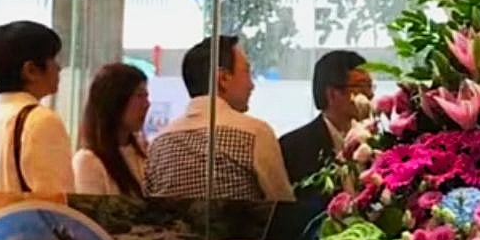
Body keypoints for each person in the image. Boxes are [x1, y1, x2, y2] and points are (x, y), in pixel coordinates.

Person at [145, 36, 294, 202]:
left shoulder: (157, 144)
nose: (251, 85)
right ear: (223, 78)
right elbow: (283, 206)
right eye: (246, 72)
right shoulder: (255, 134)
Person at [0, 21, 74, 195]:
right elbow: (59, 206)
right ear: (31, 71)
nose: (59, 67)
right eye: (53, 59)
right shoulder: (41, 121)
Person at [279, 50, 372, 189]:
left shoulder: (376, 140)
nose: (370, 94)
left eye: (370, 86)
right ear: (332, 94)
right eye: (361, 86)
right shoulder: (293, 147)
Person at [73, 63, 151, 197]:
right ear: (114, 101)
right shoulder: (88, 162)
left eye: (146, 96)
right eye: (139, 95)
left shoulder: (144, 153)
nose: (147, 104)